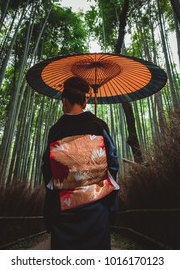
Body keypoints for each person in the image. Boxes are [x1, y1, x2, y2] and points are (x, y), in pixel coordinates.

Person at [42, 76, 120, 250]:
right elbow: (113, 163)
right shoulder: (98, 125)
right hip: (96, 208)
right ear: (85, 102)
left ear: (65, 100)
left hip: (65, 210)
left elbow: (48, 169)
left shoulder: (56, 130)